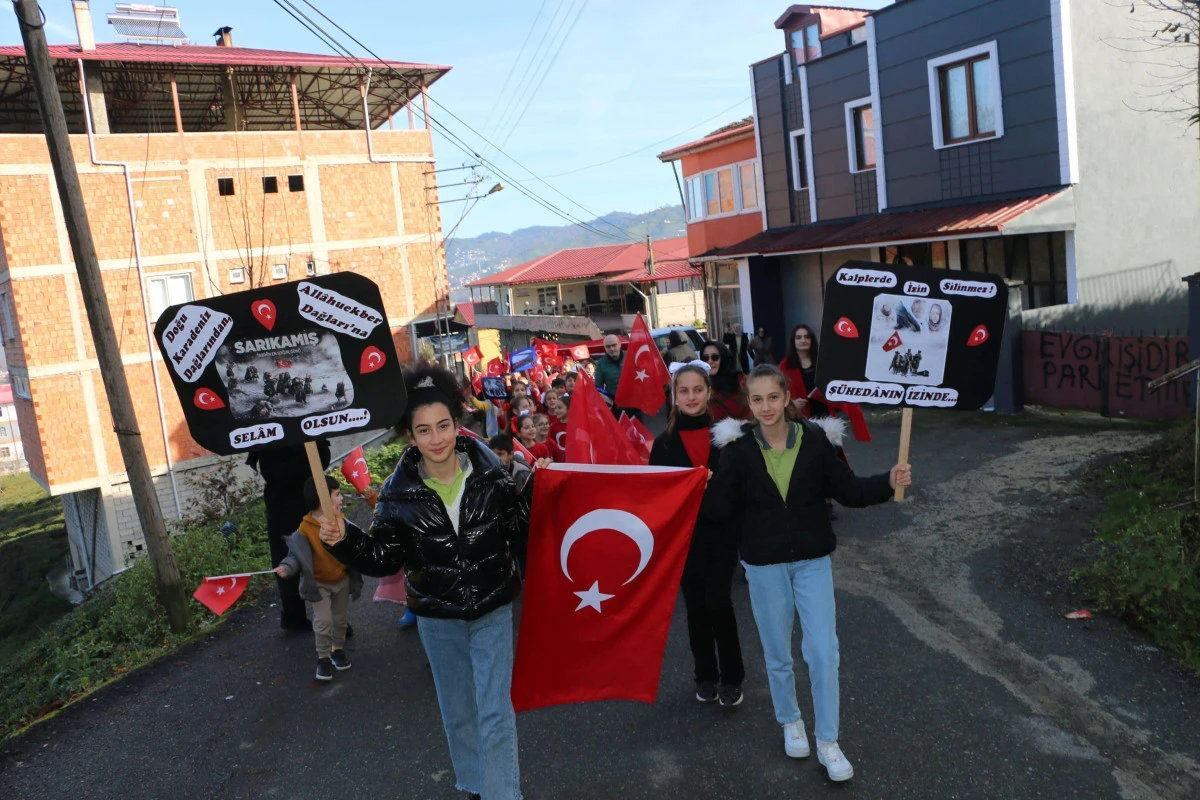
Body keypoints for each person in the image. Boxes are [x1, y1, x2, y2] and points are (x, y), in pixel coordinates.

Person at [322, 363, 550, 800]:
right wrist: (345, 539)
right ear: (410, 436)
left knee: (495, 710)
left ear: (457, 423)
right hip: (437, 617)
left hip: (492, 607)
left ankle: (503, 794)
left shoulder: (490, 474)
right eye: (423, 430)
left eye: (443, 425)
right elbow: (384, 556)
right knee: (459, 711)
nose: (436, 438)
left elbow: (517, 527)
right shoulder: (395, 493)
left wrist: (541, 486)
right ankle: (475, 786)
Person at [707, 365, 911, 783]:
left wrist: (888, 482)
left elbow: (849, 490)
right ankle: (790, 720)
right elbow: (720, 511)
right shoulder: (738, 451)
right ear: (749, 403)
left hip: (812, 561)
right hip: (763, 566)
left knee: (823, 652)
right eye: (757, 399)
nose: (766, 407)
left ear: (787, 399)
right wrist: (704, 488)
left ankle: (829, 741)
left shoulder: (815, 440)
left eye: (773, 397)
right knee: (778, 652)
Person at [649, 361, 745, 707]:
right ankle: (705, 674)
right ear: (674, 395)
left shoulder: (730, 435)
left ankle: (733, 675)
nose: (691, 397)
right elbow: (654, 496)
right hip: (683, 539)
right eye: (684, 390)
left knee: (719, 602)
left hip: (721, 533)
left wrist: (707, 488)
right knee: (696, 609)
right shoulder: (662, 444)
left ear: (709, 392)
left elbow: (737, 487)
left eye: (698, 390)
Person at [273, 475, 363, 681]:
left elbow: (357, 541)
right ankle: (323, 658)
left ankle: (337, 649)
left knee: (339, 620)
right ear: (323, 499)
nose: (341, 499)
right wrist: (287, 568)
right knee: (323, 621)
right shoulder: (305, 529)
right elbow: (296, 555)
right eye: (337, 495)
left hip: (342, 579)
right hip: (320, 583)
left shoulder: (342, 521)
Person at [249, 439, 331, 632]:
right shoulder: (269, 435)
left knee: (324, 556)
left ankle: (329, 618)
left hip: (306, 501)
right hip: (286, 504)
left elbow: (322, 460)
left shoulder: (292, 428)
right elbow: (273, 470)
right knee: (288, 560)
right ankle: (296, 617)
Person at [778, 324, 829, 419]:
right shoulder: (785, 365)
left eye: (806, 337)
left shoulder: (822, 361)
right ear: (793, 342)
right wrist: (790, 403)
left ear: (811, 340)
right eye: (798, 337)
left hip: (825, 412)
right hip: (800, 414)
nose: (803, 340)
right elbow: (777, 390)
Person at [701, 340, 747, 422]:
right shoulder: (701, 384)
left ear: (724, 358)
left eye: (715, 357)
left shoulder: (742, 382)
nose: (710, 361)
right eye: (705, 358)